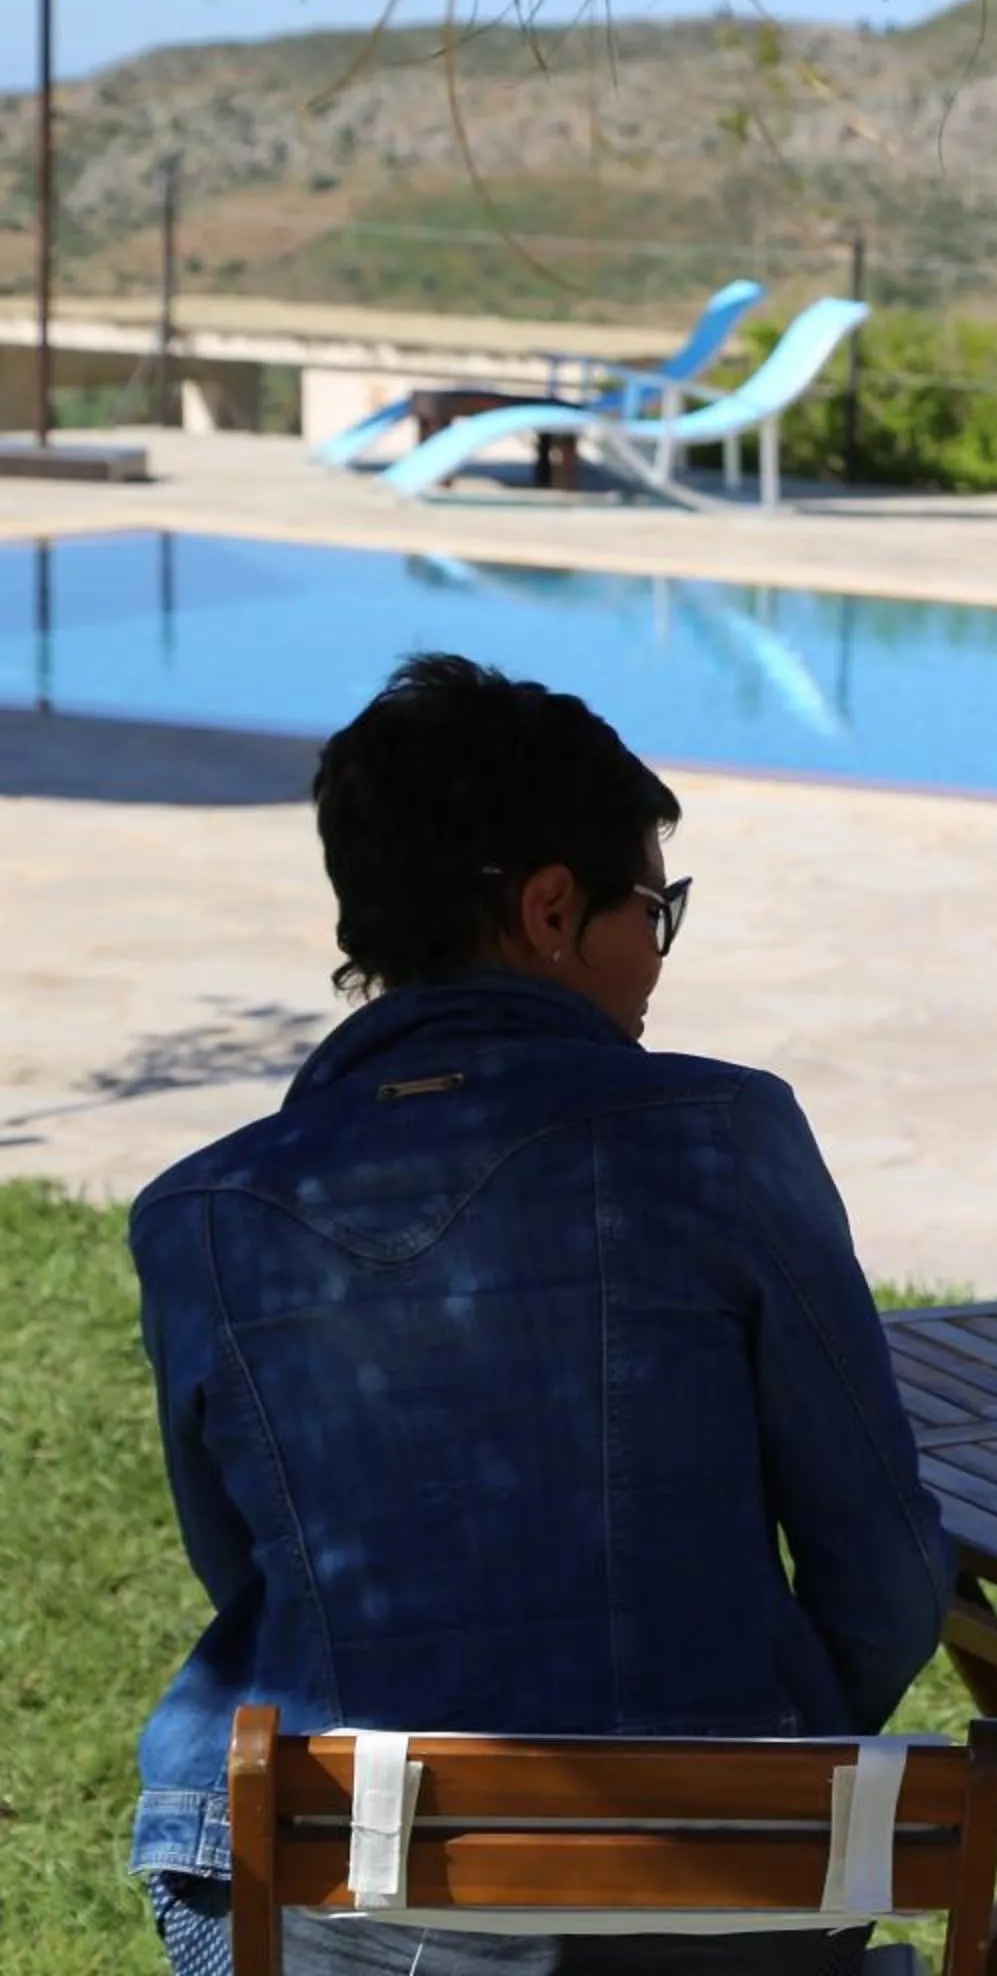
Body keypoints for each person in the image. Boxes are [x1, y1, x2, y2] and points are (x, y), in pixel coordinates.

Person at [127, 655, 954, 1976]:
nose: (656, 959)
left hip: (322, 1914)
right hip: (708, 1913)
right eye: (654, 910)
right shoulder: (720, 1139)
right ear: (552, 908)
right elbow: (889, 1580)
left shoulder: (199, 1216)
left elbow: (254, 1573)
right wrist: (716, 1784)